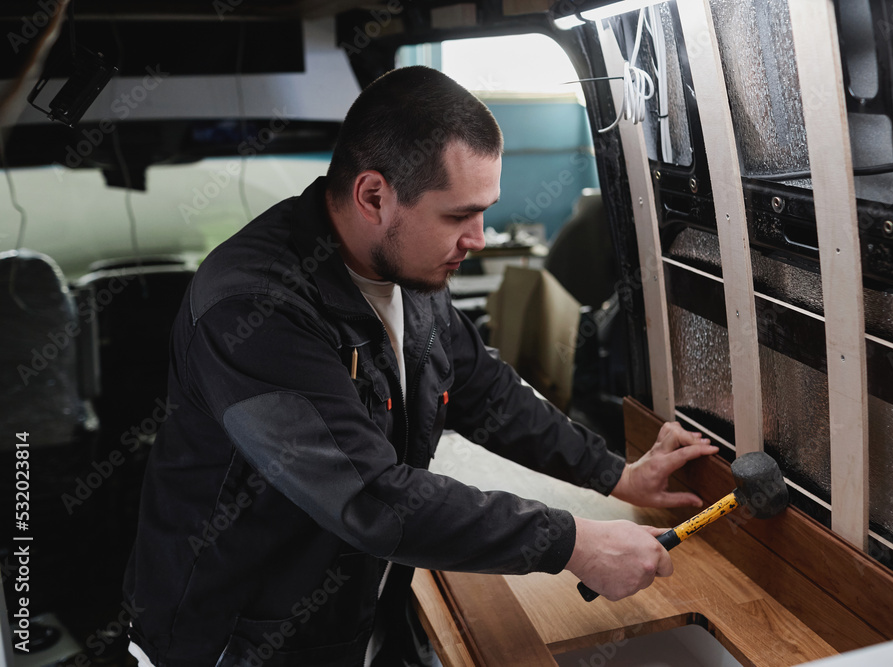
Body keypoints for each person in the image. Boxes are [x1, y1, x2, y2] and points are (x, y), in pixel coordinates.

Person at [123, 65, 718, 667]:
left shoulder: (408, 268)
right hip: (234, 638)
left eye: (484, 211)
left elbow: (483, 388)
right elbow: (370, 497)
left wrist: (617, 474)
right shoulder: (254, 307)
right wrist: (572, 542)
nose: (479, 238)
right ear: (374, 196)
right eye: (459, 216)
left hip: (359, 608)